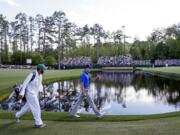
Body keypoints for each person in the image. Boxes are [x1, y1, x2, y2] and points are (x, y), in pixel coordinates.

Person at [15, 64, 47, 128]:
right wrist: (21, 94)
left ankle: (17, 115)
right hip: (30, 93)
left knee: (27, 108)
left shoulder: (40, 75)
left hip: (35, 93)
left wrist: (41, 91)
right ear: (40, 69)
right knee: (36, 107)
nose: (44, 70)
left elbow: (40, 84)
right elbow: (25, 83)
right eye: (43, 69)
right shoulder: (32, 74)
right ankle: (38, 123)